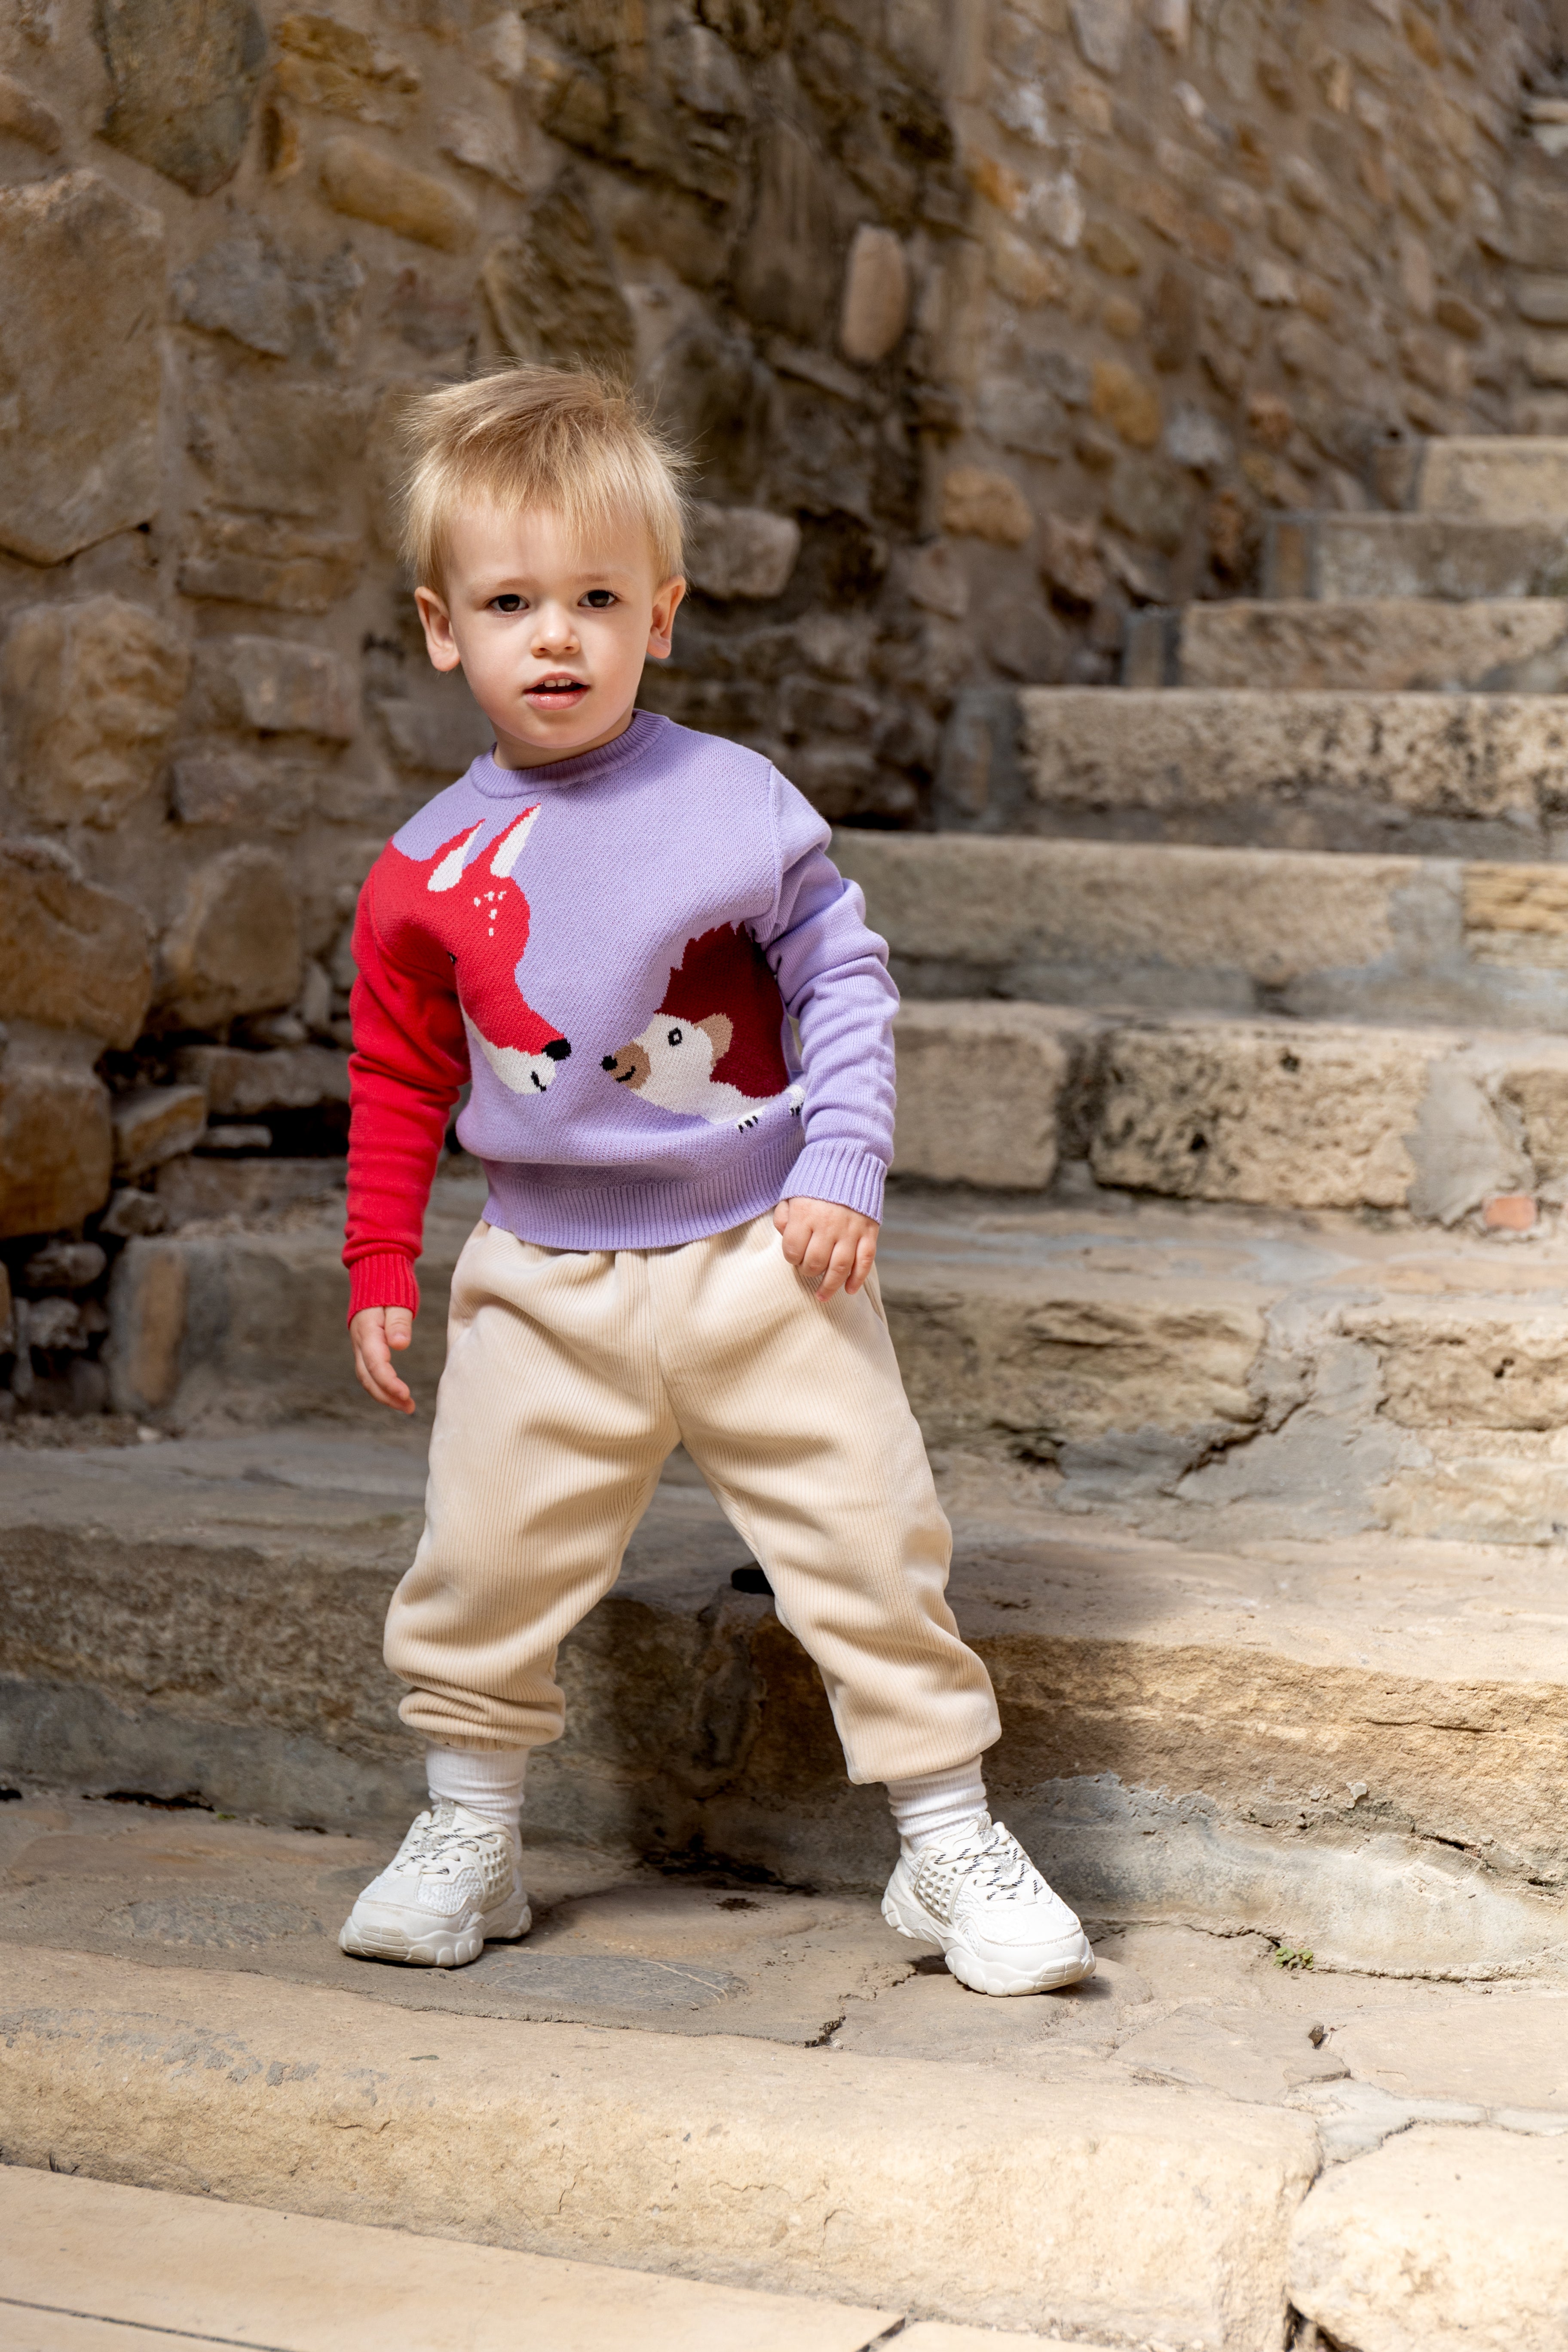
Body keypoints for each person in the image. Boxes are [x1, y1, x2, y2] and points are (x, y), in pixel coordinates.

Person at [336, 364, 1093, 1999]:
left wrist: (840, 1155)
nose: (558, 636)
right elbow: (398, 1073)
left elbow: (847, 980)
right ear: (440, 627)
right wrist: (380, 1258)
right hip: (545, 1273)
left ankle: (949, 1839)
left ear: (661, 616)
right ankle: (470, 1827)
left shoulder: (732, 802)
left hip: (767, 1253)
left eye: (598, 599)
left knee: (868, 1537)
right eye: (514, 601)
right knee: (483, 1557)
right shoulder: (420, 874)